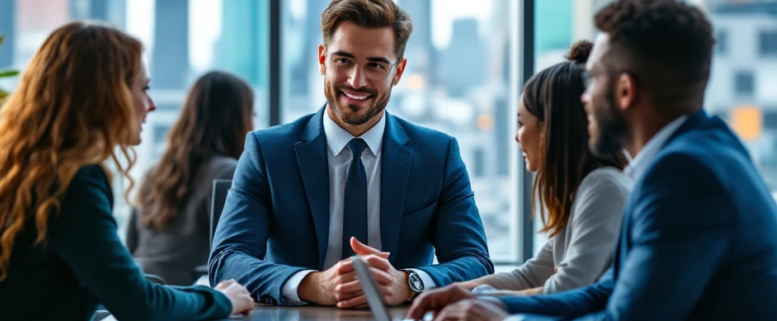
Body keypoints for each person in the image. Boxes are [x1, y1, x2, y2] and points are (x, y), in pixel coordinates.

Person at [407, 1, 777, 320]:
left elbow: (625, 317)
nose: (584, 99)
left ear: (625, 90)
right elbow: (608, 290)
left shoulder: (683, 176)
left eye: (594, 79)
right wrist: (490, 303)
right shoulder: (703, 153)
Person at [0, 22, 255, 321]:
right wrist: (219, 301)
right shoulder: (72, 180)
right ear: (105, 95)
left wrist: (206, 295)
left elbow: (128, 290)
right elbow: (139, 305)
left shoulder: (30, 169)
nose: (151, 104)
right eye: (143, 88)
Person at [208, 0, 493, 308]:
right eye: (343, 60)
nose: (356, 81)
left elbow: (475, 261)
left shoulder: (438, 155)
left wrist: (409, 282)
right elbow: (226, 261)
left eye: (376, 65)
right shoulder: (267, 152)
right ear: (322, 60)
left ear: (398, 71)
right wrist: (312, 284)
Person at [457, 41, 630, 298]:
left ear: (551, 128)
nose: (517, 137)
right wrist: (449, 291)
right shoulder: (584, 191)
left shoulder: (602, 186)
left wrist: (479, 296)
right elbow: (530, 276)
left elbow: (567, 289)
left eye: (521, 123)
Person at [127, 71, 254, 286]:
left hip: (139, 286)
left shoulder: (154, 172)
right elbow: (235, 256)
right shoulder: (229, 173)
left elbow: (131, 246)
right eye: (252, 114)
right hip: (186, 295)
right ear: (238, 120)